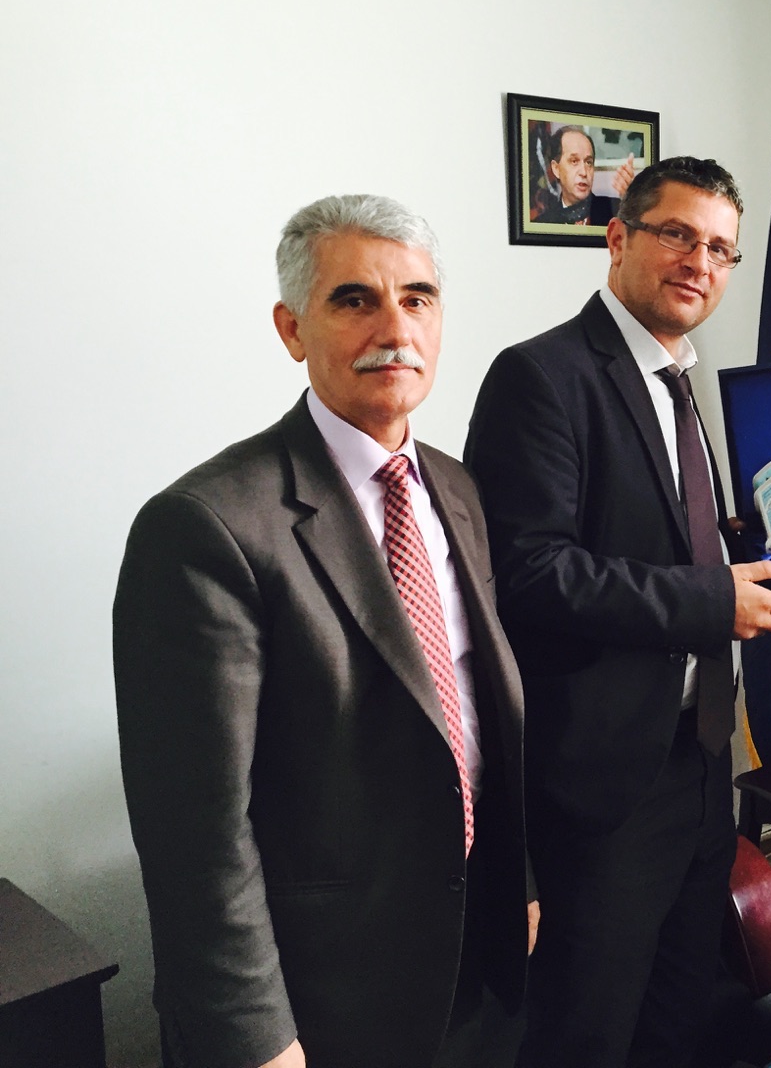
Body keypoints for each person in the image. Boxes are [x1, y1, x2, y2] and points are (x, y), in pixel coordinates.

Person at [113, 195, 537, 1068]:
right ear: (292, 329)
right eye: (355, 300)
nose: (395, 329)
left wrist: (516, 881)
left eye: (417, 298)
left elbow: (474, 713)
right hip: (323, 996)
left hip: (469, 956)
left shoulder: (457, 489)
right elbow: (196, 836)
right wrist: (256, 1036)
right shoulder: (205, 526)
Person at [465, 156, 771, 1067]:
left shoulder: (679, 379)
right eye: (677, 235)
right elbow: (529, 570)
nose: (699, 262)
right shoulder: (541, 375)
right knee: (587, 1031)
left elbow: (665, 537)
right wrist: (714, 598)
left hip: (701, 762)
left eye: (721, 249)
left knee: (677, 1019)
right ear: (618, 238)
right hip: (603, 781)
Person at [533, 125, 634, 225]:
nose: (584, 172)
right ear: (556, 169)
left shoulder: (617, 212)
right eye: (574, 161)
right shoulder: (542, 224)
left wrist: (632, 199)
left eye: (588, 162)